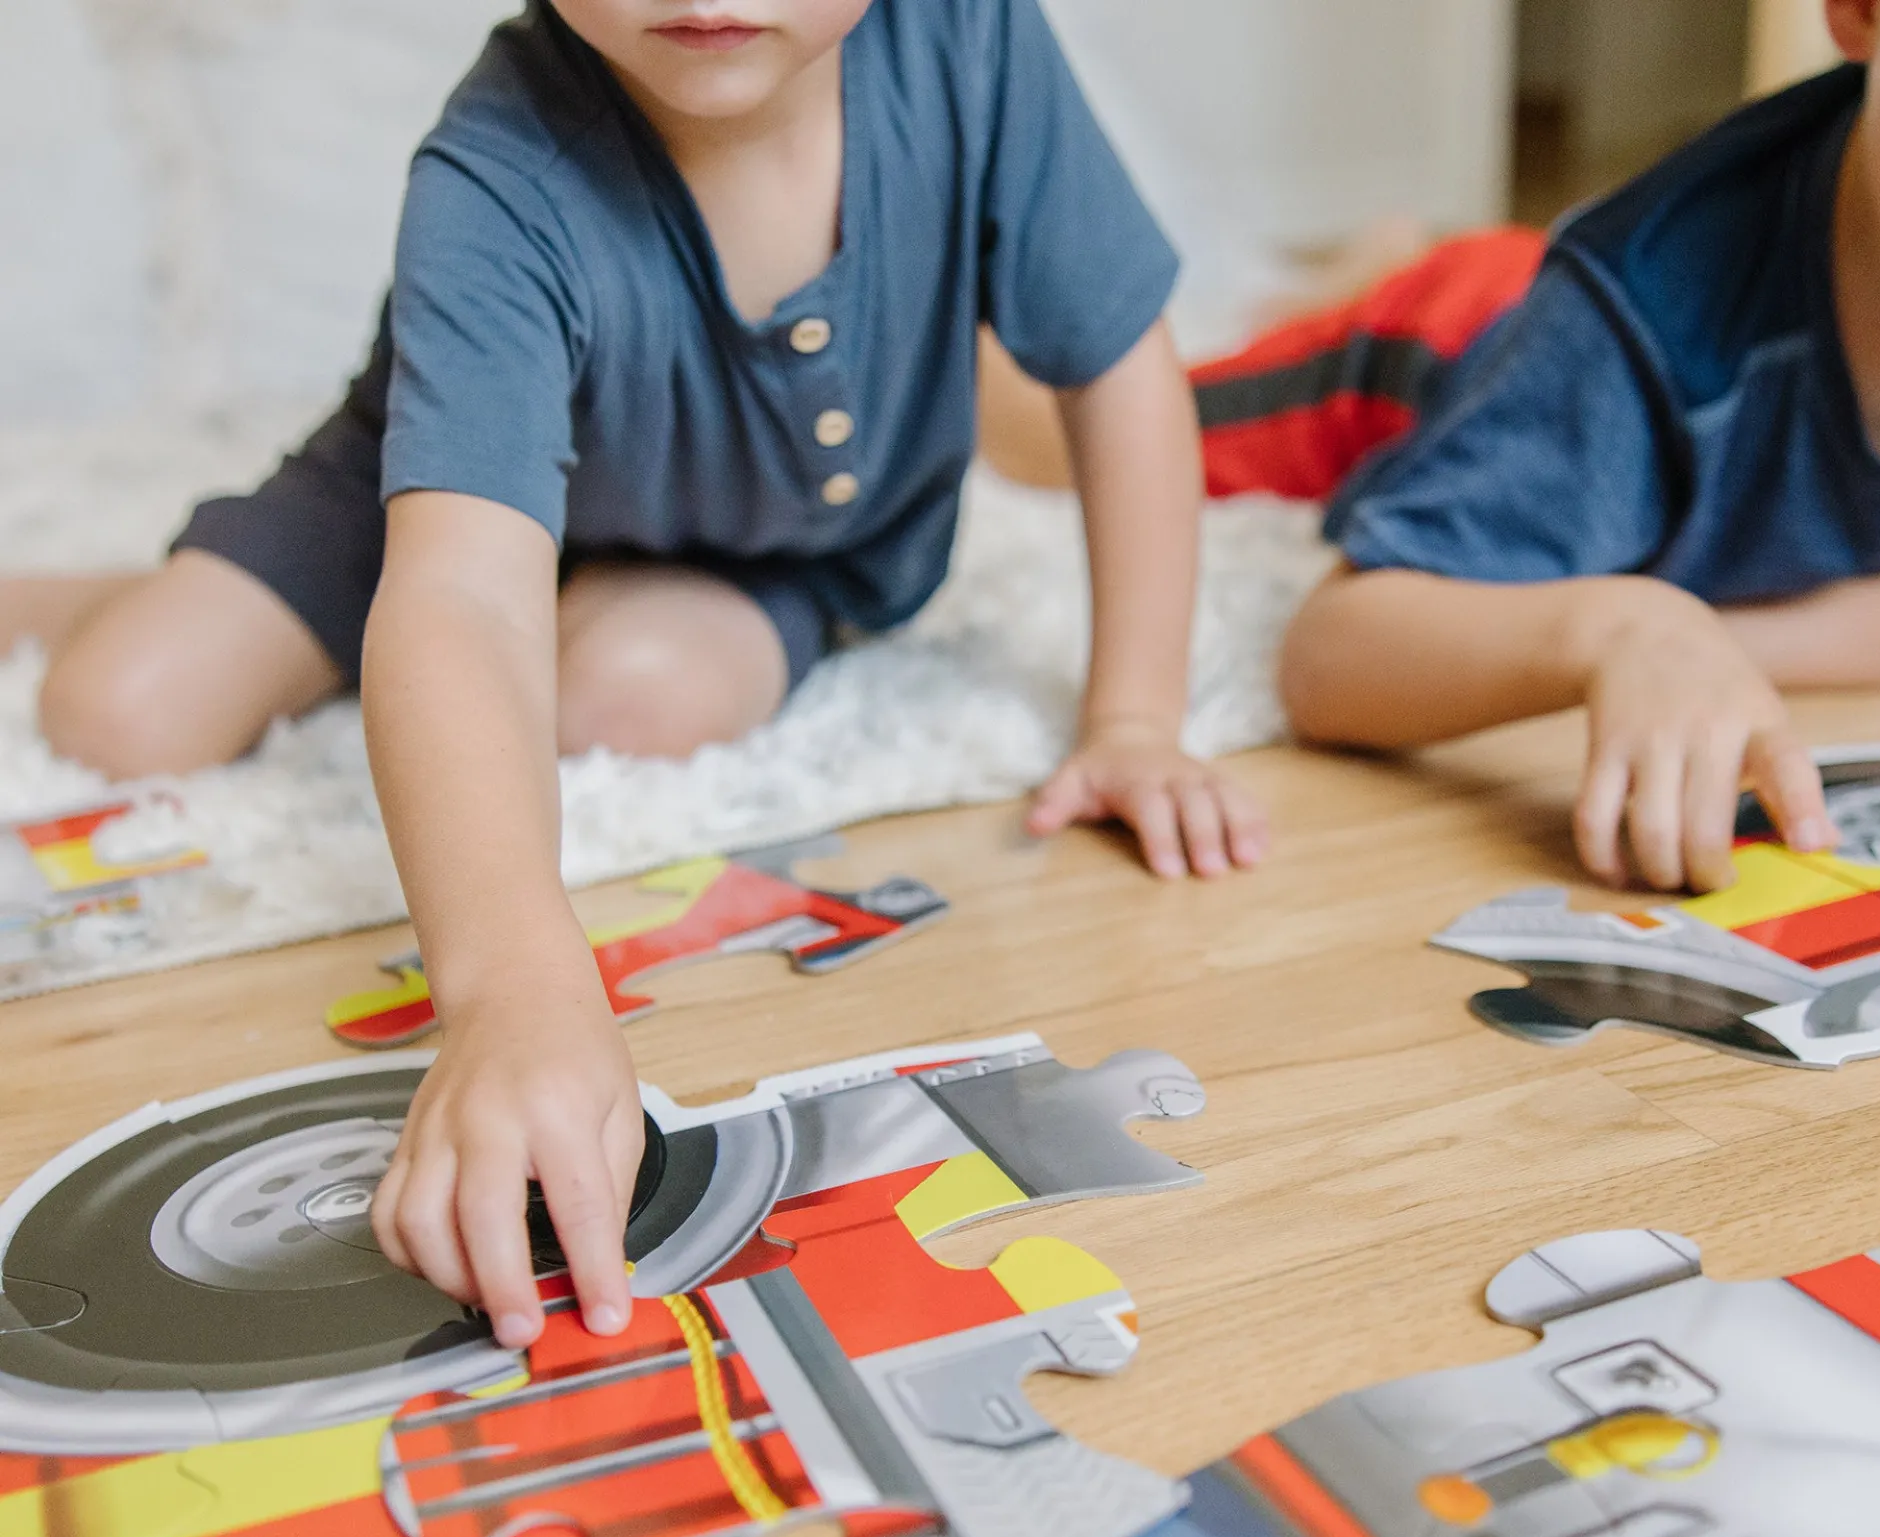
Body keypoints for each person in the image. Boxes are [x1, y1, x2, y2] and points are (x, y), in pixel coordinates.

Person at [2, 0, 1267, 1350]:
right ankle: (114, 589)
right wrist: (514, 989)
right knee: (119, 706)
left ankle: (528, 574)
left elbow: (1122, 368)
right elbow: (457, 597)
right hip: (419, 495)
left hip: (791, 548)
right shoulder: (496, 172)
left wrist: (1135, 715)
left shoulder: (970, 41)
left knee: (623, 701)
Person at [1281, 0, 1880, 900]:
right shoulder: (1630, 322)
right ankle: (1363, 275)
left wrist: (1709, 642)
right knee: (1098, 412)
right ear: (1860, 13)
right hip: (1424, 346)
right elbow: (1326, 656)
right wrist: (1623, 626)